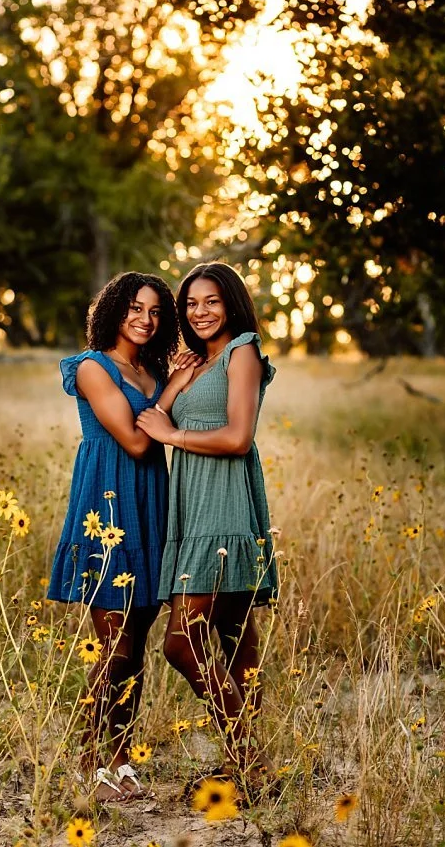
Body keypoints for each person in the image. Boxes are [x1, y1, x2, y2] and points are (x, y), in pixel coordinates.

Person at [137, 261, 279, 787]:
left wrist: (173, 437)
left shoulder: (241, 350)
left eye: (211, 301)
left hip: (222, 504)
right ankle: (250, 763)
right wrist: (176, 380)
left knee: (182, 642)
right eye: (191, 303)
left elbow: (238, 437)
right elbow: (153, 420)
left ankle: (248, 759)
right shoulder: (202, 360)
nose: (200, 312)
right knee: (233, 635)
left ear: (231, 303)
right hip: (191, 503)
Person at [51, 271, 178, 803]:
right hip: (108, 501)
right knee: (115, 641)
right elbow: (133, 440)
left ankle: (121, 759)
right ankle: (87, 760)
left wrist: (170, 385)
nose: (145, 320)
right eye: (135, 308)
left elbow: (161, 435)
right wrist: (176, 389)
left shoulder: (150, 368)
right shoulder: (91, 367)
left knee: (139, 642)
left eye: (154, 312)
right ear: (113, 309)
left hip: (152, 502)